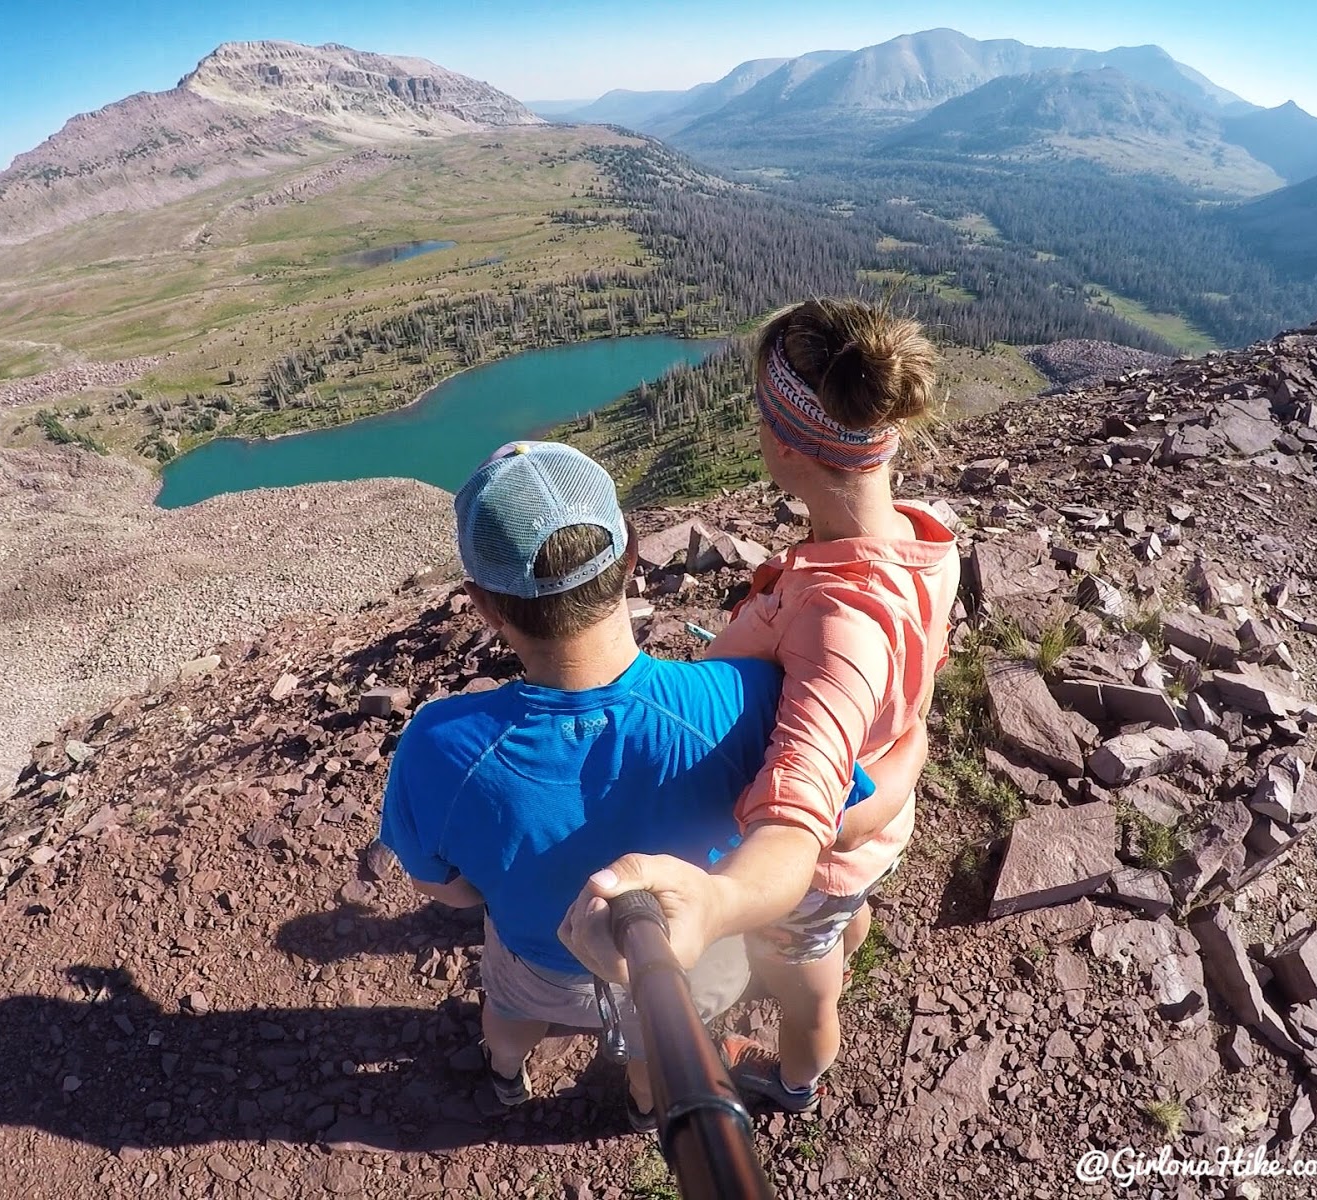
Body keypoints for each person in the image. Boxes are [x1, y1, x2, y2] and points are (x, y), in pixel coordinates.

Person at [379, 440, 927, 1132]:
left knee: (510, 1012)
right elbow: (839, 815)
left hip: (543, 962)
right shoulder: (748, 701)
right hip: (683, 959)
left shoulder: (438, 744)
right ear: (632, 555)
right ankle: (644, 1108)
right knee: (657, 1048)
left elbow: (448, 889)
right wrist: (913, 746)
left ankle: (507, 1074)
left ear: (484, 606)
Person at [561, 298, 961, 1115]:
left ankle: (795, 1081)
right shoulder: (926, 539)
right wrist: (905, 755)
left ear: (784, 443)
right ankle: (845, 931)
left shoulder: (838, 620)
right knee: (841, 920)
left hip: (821, 870)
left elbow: (797, 819)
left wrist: (717, 902)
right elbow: (903, 685)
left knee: (806, 990)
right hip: (877, 833)